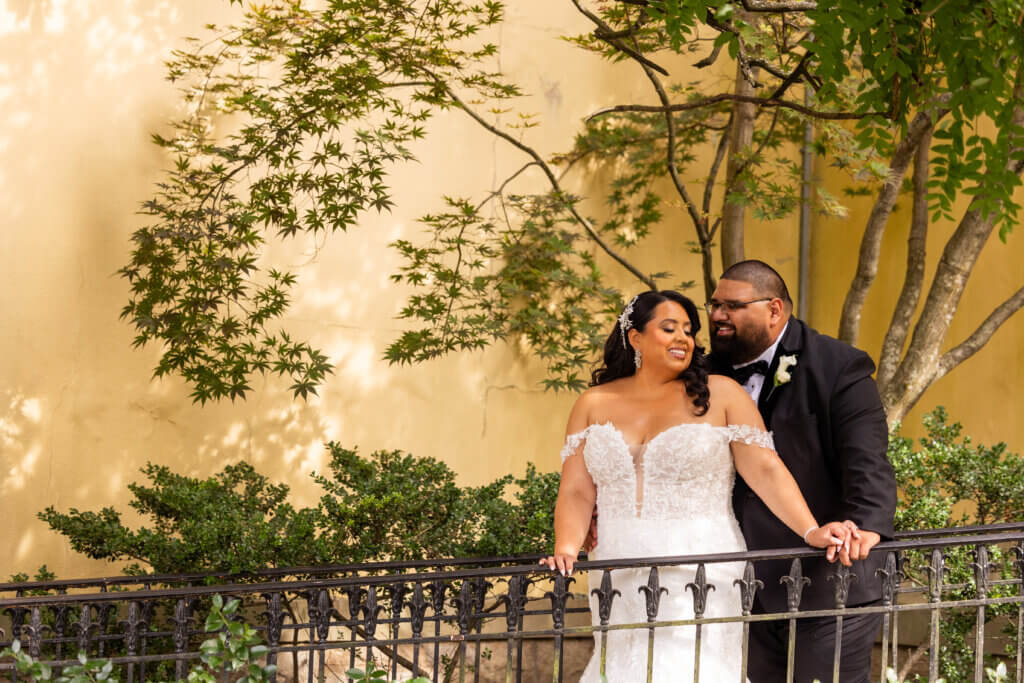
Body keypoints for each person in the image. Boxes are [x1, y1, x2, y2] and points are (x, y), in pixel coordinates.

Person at [541, 289, 851, 683]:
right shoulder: (592, 402)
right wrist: (567, 548)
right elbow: (576, 490)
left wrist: (811, 530)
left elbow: (765, 470)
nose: (683, 339)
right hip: (616, 566)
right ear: (635, 337)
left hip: (700, 563)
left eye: (688, 330)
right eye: (669, 328)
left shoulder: (721, 393)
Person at [707, 260, 897, 683]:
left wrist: (866, 525)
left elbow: (867, 459)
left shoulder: (838, 366)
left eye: (732, 306)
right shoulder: (703, 374)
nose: (718, 315)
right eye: (714, 305)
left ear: (774, 309)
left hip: (831, 579)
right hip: (743, 584)